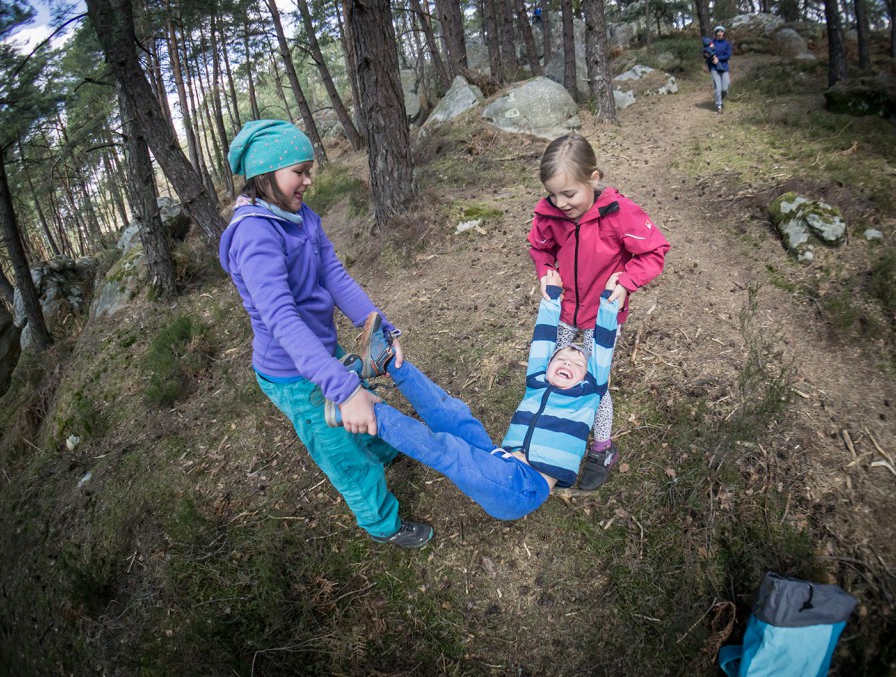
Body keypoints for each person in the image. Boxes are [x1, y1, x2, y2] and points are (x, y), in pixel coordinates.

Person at [219, 119, 433, 549]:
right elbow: (281, 320)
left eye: (309, 170)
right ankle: (383, 525)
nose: (309, 181)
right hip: (293, 374)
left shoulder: (299, 216)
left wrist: (377, 325)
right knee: (343, 454)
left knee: (359, 416)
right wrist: (341, 387)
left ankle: (384, 451)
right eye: (299, 171)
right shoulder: (255, 235)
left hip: (319, 351)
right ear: (266, 174)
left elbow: (333, 275)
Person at [326, 272, 622, 520]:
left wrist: (608, 306)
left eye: (577, 363)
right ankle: (388, 361)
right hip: (496, 457)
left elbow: (602, 354)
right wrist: (552, 298)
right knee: (452, 414)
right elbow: (542, 341)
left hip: (521, 488)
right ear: (548, 366)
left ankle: (366, 412)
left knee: (450, 451)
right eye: (562, 358)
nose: (568, 362)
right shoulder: (538, 381)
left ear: (588, 376)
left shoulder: (588, 394)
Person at [528, 132, 670, 491]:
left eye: (569, 194)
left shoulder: (619, 214)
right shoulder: (550, 213)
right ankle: (548, 434)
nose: (560, 203)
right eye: (552, 194)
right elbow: (540, 247)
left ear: (594, 178)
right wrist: (545, 271)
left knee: (593, 383)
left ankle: (602, 448)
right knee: (548, 369)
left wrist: (627, 282)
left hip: (602, 317)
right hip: (563, 310)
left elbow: (654, 251)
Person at [707, 25, 732, 114]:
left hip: (724, 68)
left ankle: (719, 98)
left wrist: (718, 59)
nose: (719, 33)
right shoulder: (711, 43)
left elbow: (728, 55)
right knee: (718, 88)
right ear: (715, 33)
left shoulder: (727, 44)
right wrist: (710, 59)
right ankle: (719, 106)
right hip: (714, 68)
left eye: (721, 31)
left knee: (725, 89)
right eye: (718, 32)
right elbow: (706, 53)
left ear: (723, 33)